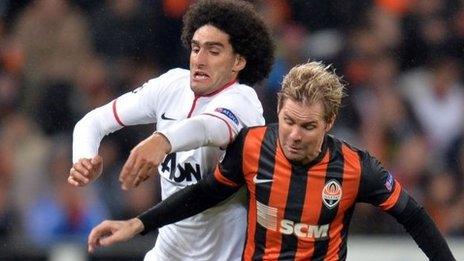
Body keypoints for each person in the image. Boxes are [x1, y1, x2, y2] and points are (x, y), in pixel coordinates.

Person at [88, 61, 456, 261]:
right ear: (278, 110)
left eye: (308, 126)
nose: (294, 134)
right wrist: (138, 224)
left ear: (328, 123)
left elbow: (414, 216)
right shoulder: (251, 146)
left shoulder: (357, 168)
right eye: (289, 121)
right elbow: (205, 193)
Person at [68, 0, 274, 260]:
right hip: (166, 253)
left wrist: (162, 140)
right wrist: (84, 158)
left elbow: (210, 127)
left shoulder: (244, 102)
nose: (199, 60)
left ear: (238, 61)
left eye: (214, 51)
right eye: (196, 48)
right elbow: (93, 121)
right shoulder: (170, 85)